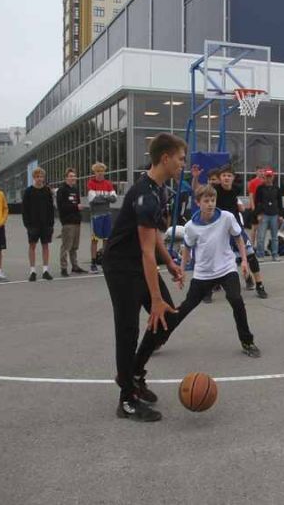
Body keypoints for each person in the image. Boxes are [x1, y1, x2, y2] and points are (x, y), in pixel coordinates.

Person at [130, 184, 262, 386]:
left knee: (236, 299)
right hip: (203, 273)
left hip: (226, 268)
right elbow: (187, 249)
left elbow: (239, 239)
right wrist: (182, 270)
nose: (210, 204)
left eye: (212, 200)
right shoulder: (191, 226)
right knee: (183, 309)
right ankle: (158, 340)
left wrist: (244, 261)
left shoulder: (226, 217)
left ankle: (247, 341)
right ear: (198, 203)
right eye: (206, 201)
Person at [102, 133, 187, 422]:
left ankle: (134, 373)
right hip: (121, 265)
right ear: (165, 158)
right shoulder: (144, 194)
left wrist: (170, 262)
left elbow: (153, 236)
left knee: (168, 319)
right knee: (128, 330)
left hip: (138, 261)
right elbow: (146, 252)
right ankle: (126, 400)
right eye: (180, 159)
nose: (182, 164)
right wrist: (155, 298)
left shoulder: (158, 190)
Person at [192, 163, 270, 299]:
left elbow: (242, 202)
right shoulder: (214, 189)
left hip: (236, 228)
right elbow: (197, 190)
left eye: (229, 175)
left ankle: (259, 285)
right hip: (219, 229)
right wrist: (195, 178)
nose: (226, 178)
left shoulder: (236, 189)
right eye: (224, 175)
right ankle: (208, 290)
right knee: (214, 257)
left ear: (233, 178)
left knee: (250, 255)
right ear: (220, 178)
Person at [21, 167, 55, 281]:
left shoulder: (47, 191)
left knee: (45, 246)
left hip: (46, 224)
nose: (39, 179)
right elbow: (24, 209)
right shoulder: (28, 191)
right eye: (37, 176)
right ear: (34, 178)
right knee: (32, 246)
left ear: (43, 178)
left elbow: (51, 208)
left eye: (41, 176)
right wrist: (27, 224)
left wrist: (51, 224)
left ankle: (45, 270)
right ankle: (32, 271)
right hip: (33, 225)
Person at [87, 162, 118, 273]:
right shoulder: (91, 183)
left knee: (106, 239)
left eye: (101, 171)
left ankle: (104, 262)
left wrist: (101, 196)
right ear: (94, 172)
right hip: (96, 216)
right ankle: (93, 263)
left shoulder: (108, 183)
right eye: (98, 171)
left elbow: (114, 199)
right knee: (95, 240)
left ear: (104, 172)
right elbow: (92, 199)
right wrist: (107, 197)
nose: (100, 173)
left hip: (107, 215)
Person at [56, 168, 86, 277]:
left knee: (74, 246)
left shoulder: (75, 189)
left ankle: (75, 266)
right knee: (66, 246)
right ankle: (63, 268)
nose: (73, 178)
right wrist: (76, 207)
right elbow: (61, 207)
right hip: (68, 222)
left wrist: (78, 210)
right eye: (71, 176)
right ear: (66, 178)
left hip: (76, 221)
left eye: (74, 176)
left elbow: (78, 204)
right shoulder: (62, 190)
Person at [254, 168, 283, 261]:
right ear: (264, 177)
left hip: (274, 214)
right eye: (267, 177)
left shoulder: (277, 188)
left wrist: (281, 215)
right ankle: (260, 255)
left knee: (275, 237)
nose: (268, 179)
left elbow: (280, 202)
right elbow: (257, 202)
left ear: (273, 177)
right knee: (261, 236)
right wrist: (258, 214)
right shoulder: (260, 188)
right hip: (264, 214)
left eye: (270, 177)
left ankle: (275, 254)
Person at [247, 165, 265, 244]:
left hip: (263, 207)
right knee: (254, 227)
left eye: (263, 171)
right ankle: (252, 244)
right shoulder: (253, 182)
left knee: (262, 227)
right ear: (256, 172)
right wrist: (253, 207)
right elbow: (251, 196)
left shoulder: (265, 181)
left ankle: (260, 245)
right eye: (260, 171)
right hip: (256, 206)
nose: (262, 173)